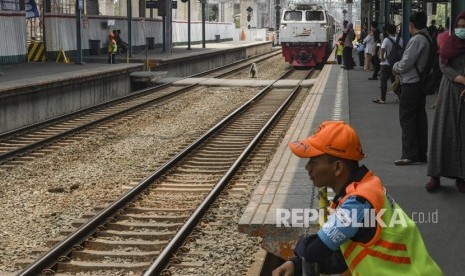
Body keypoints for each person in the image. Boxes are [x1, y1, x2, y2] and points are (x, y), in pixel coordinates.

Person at [272, 121, 443, 276]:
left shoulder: (358, 203)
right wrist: (297, 264)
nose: (307, 168)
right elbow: (339, 258)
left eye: (314, 162)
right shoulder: (360, 189)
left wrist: (302, 248)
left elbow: (312, 251)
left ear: (338, 167)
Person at [425, 11, 465, 192]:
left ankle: (461, 176)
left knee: (462, 137)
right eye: (459, 26)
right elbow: (443, 65)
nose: (461, 29)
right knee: (443, 131)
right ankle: (435, 175)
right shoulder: (448, 43)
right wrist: (460, 78)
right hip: (449, 91)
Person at [391, 12, 431, 166]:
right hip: (420, 83)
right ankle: (421, 153)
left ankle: (409, 154)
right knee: (420, 119)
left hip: (411, 84)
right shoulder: (427, 38)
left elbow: (405, 63)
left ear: (412, 25)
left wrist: (395, 66)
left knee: (407, 119)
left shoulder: (416, 40)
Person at [372, 23, 403, 104]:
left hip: (386, 64)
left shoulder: (386, 39)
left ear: (387, 31)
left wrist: (382, 59)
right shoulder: (401, 40)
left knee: (384, 82)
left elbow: (382, 49)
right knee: (396, 81)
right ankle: (400, 97)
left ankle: (383, 99)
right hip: (397, 64)